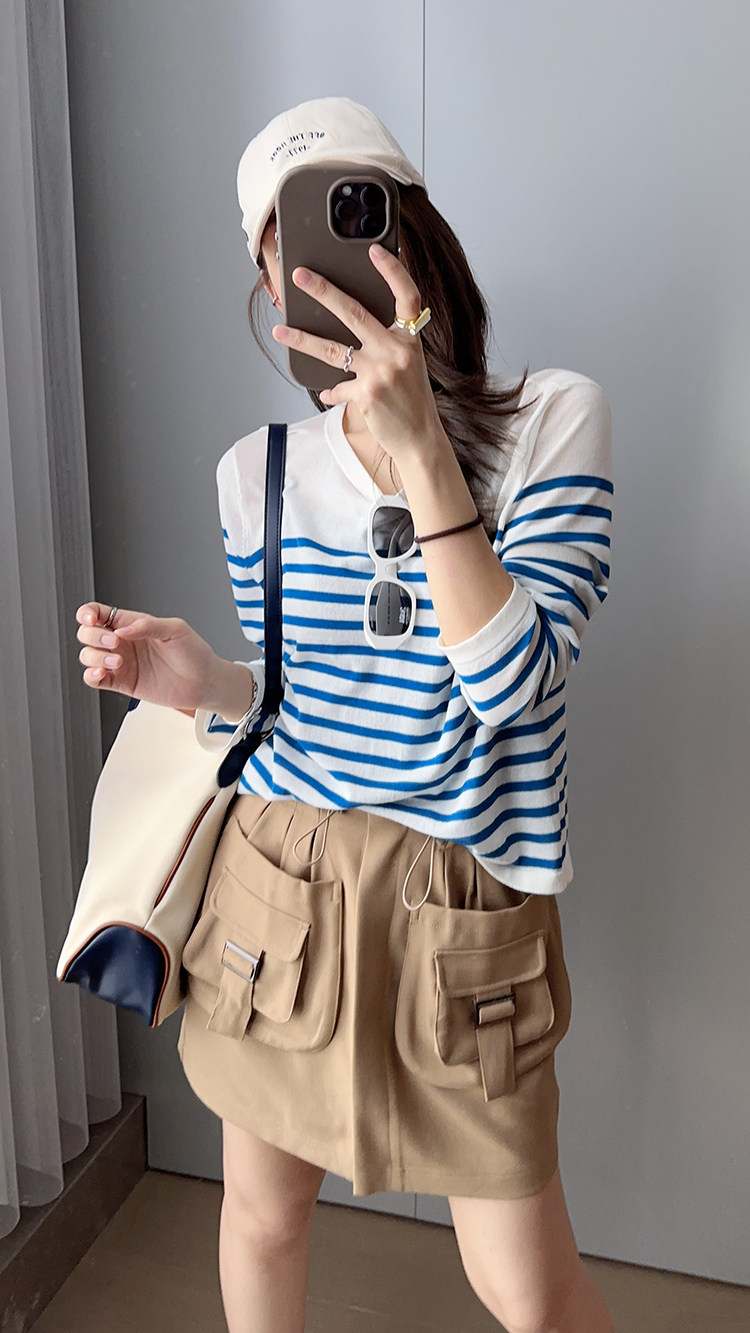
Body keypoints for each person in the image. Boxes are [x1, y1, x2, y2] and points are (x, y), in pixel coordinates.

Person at [75, 97, 614, 1333]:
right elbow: (306, 707)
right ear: (270, 290)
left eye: (353, 217)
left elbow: (510, 687)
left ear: (418, 235)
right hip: (284, 886)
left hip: (462, 902)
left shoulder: (553, 421)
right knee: (264, 1218)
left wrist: (422, 451)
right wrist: (207, 681)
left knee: (526, 1289)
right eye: (285, 250)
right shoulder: (255, 475)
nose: (321, 267)